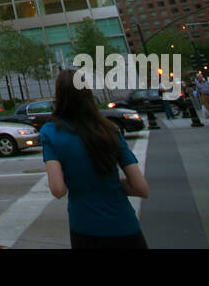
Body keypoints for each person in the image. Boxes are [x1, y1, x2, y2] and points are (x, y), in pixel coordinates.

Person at [42, 68, 150, 249]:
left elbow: (58, 189)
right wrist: (110, 183)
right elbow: (141, 188)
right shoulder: (109, 130)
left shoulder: (51, 133)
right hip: (125, 226)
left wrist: (83, 182)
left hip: (85, 228)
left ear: (58, 96)